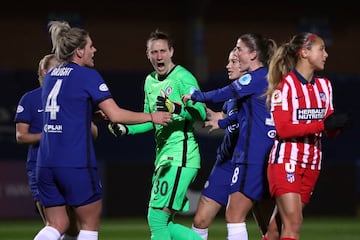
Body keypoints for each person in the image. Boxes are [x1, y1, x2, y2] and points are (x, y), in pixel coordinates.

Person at [33, 21, 172, 240]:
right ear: (79, 51)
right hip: (74, 163)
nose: (94, 50)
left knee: (57, 224)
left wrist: (92, 114)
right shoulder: (88, 75)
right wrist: (152, 116)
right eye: (90, 46)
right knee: (89, 224)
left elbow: (65, 110)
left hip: (46, 162)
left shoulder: (51, 76)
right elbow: (116, 115)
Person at [108, 29, 206, 240]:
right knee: (165, 223)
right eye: (154, 52)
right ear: (147, 54)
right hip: (164, 157)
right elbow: (150, 119)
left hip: (180, 155)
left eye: (163, 51)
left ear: (171, 51)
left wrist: (178, 108)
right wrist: (127, 128)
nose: (159, 56)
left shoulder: (183, 77)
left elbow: (201, 113)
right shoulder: (149, 81)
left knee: (156, 219)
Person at [182, 33, 278, 240]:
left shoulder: (254, 83)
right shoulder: (236, 97)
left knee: (261, 224)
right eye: (228, 60)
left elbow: (244, 116)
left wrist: (198, 96)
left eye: (235, 59)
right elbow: (234, 118)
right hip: (227, 161)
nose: (229, 65)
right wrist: (218, 118)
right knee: (201, 220)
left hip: (252, 161)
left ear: (250, 59)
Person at [265, 32, 350, 240]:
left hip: (312, 164)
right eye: (321, 49)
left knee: (277, 228)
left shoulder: (324, 86)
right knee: (293, 223)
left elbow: (327, 129)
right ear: (304, 52)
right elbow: (283, 130)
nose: (326, 54)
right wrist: (323, 124)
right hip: (286, 161)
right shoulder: (284, 87)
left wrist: (337, 125)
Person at [14, 53, 84, 240]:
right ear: (44, 72)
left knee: (72, 228)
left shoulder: (69, 99)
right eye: (56, 69)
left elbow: (91, 131)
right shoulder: (29, 99)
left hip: (68, 167)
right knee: (54, 225)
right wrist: (48, 135)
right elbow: (21, 136)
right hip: (39, 166)